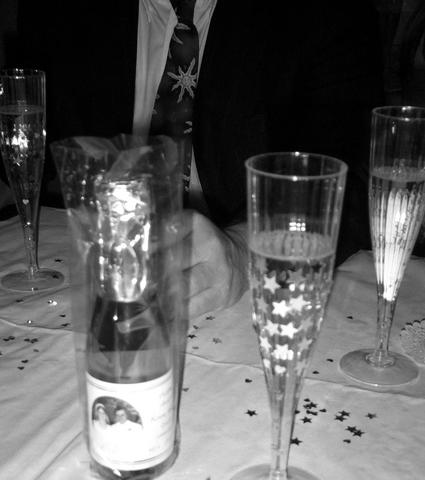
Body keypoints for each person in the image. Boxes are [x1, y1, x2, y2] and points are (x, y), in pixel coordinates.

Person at [13, 0, 384, 316]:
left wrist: (245, 251)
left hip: (246, 299)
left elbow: (351, 175)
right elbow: (23, 147)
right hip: (93, 278)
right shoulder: (58, 11)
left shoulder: (322, 12)